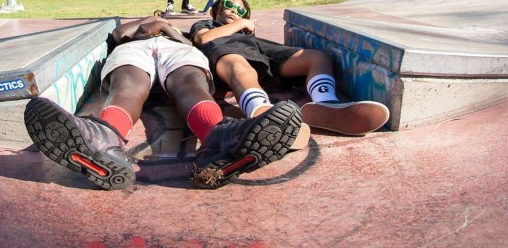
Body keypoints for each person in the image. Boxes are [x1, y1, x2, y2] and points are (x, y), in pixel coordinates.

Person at [24, 16, 302, 190]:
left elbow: (190, 43)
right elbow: (121, 35)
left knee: (191, 83)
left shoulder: (179, 34)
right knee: (128, 85)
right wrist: (151, 23)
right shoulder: (137, 31)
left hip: (177, 52)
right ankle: (106, 138)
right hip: (135, 50)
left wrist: (165, 27)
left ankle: (217, 139)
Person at [187, 0, 390, 137]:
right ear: (216, 10)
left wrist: (245, 30)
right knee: (242, 67)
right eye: (230, 6)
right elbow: (203, 40)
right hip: (224, 54)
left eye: (240, 11)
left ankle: (326, 103)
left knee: (318, 58)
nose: (234, 12)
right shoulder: (207, 24)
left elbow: (262, 52)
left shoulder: (246, 34)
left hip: (258, 51)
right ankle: (261, 114)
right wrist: (239, 24)